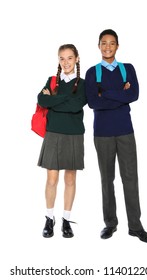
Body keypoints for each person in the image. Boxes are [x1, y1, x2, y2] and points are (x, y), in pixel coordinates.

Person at [85, 29, 147, 244]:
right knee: (107, 179)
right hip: (103, 133)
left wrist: (104, 92)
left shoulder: (128, 69)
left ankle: (135, 226)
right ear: (98, 46)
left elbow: (133, 95)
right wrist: (120, 95)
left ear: (117, 46)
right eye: (104, 43)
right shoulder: (91, 72)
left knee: (130, 179)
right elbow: (92, 103)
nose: (108, 47)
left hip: (125, 131)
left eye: (112, 43)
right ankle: (110, 223)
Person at [37, 44, 87, 238]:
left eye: (69, 58)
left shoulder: (83, 84)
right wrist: (64, 100)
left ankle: (66, 220)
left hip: (74, 134)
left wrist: (56, 100)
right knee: (51, 179)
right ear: (58, 60)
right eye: (62, 58)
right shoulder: (51, 82)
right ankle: (49, 218)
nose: (65, 62)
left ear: (77, 59)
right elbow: (42, 100)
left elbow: (77, 106)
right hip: (53, 133)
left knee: (70, 179)